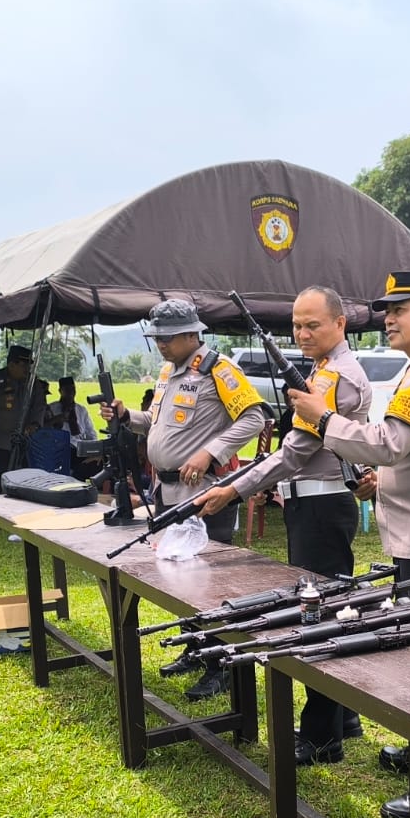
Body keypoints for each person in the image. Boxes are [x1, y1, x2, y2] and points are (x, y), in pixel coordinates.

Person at [289, 270, 410, 818]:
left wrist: (324, 421)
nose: (389, 318)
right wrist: (381, 481)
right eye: (385, 310)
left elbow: (392, 443)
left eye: (401, 308)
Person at [198, 286, 373, 760]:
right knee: (331, 609)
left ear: (340, 324)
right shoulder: (323, 371)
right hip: (312, 507)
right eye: (296, 325)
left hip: (319, 507)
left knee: (319, 617)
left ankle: (321, 737)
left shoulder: (334, 376)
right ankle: (343, 717)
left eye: (312, 324)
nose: (302, 333)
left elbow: (295, 452)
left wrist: (234, 488)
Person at [104, 298, 270, 701]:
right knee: (181, 579)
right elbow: (158, 424)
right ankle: (196, 648)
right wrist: (129, 417)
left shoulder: (219, 368)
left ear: (192, 333)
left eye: (167, 337)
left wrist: (210, 451)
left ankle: (221, 664)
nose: (160, 344)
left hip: (203, 491)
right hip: (169, 490)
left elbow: (255, 417)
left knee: (210, 583)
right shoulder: (169, 372)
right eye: (156, 337)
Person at [0, 344, 49, 487]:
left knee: (27, 477)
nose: (27, 369)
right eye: (24, 365)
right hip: (0, 441)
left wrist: (35, 424)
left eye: (29, 366)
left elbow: (39, 406)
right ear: (11, 365)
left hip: (26, 440)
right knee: (2, 476)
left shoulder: (34, 384)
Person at [47, 375, 100, 480]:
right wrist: (57, 420)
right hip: (59, 448)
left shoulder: (81, 410)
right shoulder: (52, 408)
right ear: (60, 391)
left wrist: (93, 452)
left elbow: (91, 434)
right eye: (67, 390)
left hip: (78, 448)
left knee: (99, 462)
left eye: (73, 389)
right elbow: (45, 429)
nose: (71, 392)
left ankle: (76, 475)